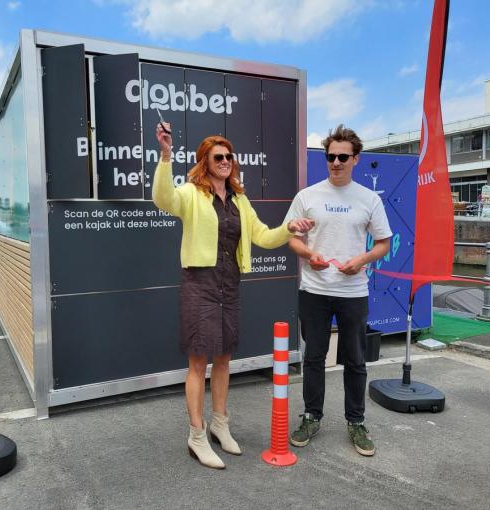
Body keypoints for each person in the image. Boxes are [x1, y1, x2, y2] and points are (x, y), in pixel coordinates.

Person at [152, 123, 314, 469]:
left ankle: (219, 425)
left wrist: (290, 228)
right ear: (205, 162)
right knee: (198, 362)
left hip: (230, 286)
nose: (225, 161)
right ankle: (196, 436)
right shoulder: (192, 194)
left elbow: (264, 237)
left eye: (229, 156)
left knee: (224, 358)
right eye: (218, 157)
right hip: (200, 284)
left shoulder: (240, 199)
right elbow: (162, 199)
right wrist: (166, 155)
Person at [284, 124, 392, 457]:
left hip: (353, 291)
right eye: (330, 156)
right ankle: (311, 416)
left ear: (356, 159)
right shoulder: (308, 196)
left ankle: (356, 422)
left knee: (356, 360)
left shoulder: (368, 198)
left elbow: (384, 243)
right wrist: (308, 255)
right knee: (313, 357)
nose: (336, 163)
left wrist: (362, 259)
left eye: (343, 157)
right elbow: (291, 237)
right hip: (314, 290)